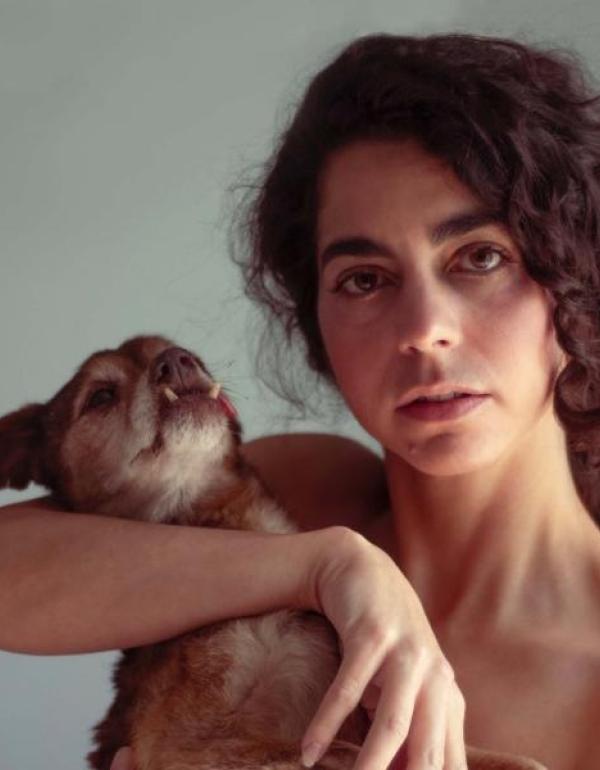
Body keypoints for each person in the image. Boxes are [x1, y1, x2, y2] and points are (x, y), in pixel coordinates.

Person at [2, 31, 600, 770]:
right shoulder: (298, 498)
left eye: (480, 257)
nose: (424, 330)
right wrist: (330, 567)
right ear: (315, 318)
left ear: (574, 279)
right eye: (363, 278)